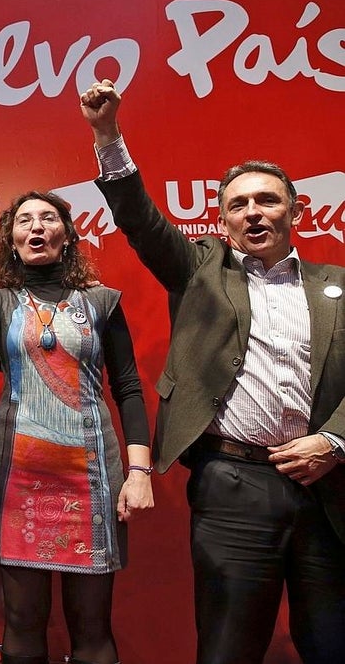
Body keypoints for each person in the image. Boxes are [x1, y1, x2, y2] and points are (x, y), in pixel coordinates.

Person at [80, 79, 345, 664]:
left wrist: (334, 441)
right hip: (233, 483)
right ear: (222, 219)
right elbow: (140, 220)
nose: (253, 213)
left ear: (295, 210)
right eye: (238, 204)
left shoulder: (337, 285)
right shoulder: (202, 270)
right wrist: (106, 133)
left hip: (328, 487)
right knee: (227, 649)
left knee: (332, 643)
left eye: (267, 200)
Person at [0, 191, 154, 664]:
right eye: (24, 221)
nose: (36, 226)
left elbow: (129, 389)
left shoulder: (101, 302)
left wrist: (139, 473)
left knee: (93, 629)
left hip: (92, 483)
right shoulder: (0, 304)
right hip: (21, 484)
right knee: (21, 624)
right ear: (11, 240)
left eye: (47, 218)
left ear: (67, 235)